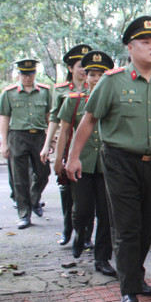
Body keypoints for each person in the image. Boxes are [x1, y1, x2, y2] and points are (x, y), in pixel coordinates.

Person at [65, 15, 151, 302]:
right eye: (145, 42)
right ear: (130, 48)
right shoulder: (112, 81)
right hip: (119, 161)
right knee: (127, 225)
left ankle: (135, 275)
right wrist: (74, 157)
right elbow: (89, 120)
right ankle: (128, 290)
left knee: (147, 225)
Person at [54, 50, 116, 276]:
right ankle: (80, 234)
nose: (96, 79)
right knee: (82, 211)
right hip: (82, 164)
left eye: (101, 75)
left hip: (108, 166)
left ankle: (102, 258)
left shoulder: (115, 101)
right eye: (92, 74)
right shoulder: (74, 100)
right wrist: (58, 161)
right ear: (86, 77)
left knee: (106, 214)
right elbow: (64, 132)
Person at [41, 44, 92, 245]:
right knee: (67, 189)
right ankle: (67, 229)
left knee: (88, 193)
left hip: (90, 147)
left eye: (86, 67)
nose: (84, 71)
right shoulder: (61, 90)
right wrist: (47, 145)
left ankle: (86, 235)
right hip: (68, 144)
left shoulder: (94, 87)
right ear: (70, 68)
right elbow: (54, 118)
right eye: (80, 66)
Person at [0, 59, 52, 229]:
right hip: (18, 136)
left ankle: (34, 199)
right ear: (19, 74)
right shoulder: (9, 93)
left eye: (31, 73)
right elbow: (4, 117)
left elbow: (50, 116)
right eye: (24, 74)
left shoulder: (44, 92)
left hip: (39, 136)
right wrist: (4, 143)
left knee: (43, 173)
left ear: (35, 73)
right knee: (19, 178)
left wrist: (51, 139)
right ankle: (24, 214)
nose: (27, 77)